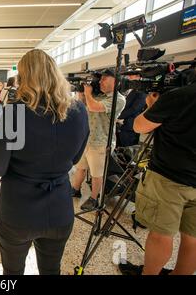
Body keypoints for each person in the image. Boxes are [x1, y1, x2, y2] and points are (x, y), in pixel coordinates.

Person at [0, 49, 89, 275]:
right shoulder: (79, 110)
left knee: (12, 272)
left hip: (18, 210)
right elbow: (75, 158)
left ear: (24, 79)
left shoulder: (14, 114)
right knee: (51, 270)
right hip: (59, 208)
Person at [119, 78, 196, 275]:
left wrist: (152, 106)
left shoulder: (181, 95)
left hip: (169, 178)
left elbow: (139, 126)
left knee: (161, 235)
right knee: (192, 236)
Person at [71, 69, 126, 210]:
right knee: (80, 167)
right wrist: (83, 93)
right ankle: (74, 190)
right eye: (100, 79)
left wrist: (88, 94)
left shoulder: (118, 99)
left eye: (104, 79)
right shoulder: (98, 95)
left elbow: (94, 107)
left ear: (116, 81)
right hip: (87, 138)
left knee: (97, 173)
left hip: (101, 141)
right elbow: (81, 106)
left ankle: (94, 199)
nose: (100, 82)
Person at [116, 76, 146, 147]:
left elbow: (134, 109)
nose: (129, 77)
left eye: (131, 76)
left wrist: (118, 115)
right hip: (123, 126)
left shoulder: (142, 92)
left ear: (138, 76)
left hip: (131, 127)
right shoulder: (133, 89)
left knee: (128, 149)